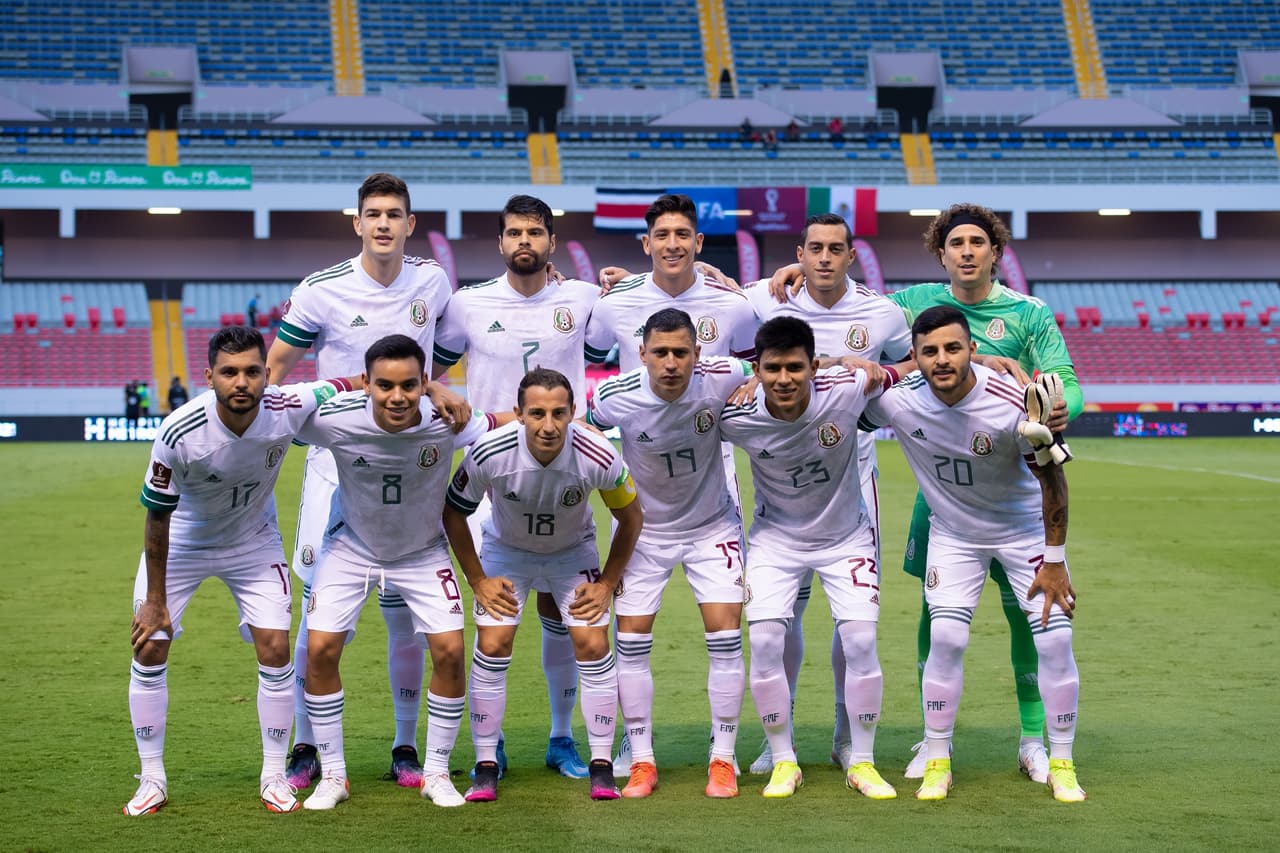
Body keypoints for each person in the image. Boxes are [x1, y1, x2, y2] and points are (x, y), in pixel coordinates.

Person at [764, 202, 1081, 782]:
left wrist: (1057, 408)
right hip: (941, 498)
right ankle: (934, 741)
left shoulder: (1029, 312)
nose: (966, 251)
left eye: (976, 243)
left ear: (995, 251)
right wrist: (782, 276)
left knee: (1026, 616)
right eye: (954, 243)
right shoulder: (903, 306)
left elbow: (1066, 383)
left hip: (1012, 484)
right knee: (939, 620)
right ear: (940, 253)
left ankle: (1035, 739)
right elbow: (844, 306)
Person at [267, 172, 466, 791]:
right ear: (357, 224)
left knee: (406, 613)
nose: (384, 223)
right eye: (373, 214)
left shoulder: (433, 281)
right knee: (319, 613)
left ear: (410, 224)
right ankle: (305, 746)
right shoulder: (321, 290)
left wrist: (432, 385)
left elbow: (454, 346)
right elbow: (275, 369)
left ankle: (406, 748)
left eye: (395, 214)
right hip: (337, 462)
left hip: (410, 464)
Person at [124, 326, 355, 816]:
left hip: (252, 540)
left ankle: (274, 775)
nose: (242, 381)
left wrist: (431, 385)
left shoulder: (288, 406)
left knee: (275, 647)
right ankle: (152, 779)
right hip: (185, 541)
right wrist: (156, 601)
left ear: (266, 374)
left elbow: (345, 384)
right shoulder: (178, 432)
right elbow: (157, 518)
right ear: (209, 376)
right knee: (150, 645)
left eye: (252, 371)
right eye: (229, 372)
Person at [857, 305, 1084, 802]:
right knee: (947, 637)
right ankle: (938, 758)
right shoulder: (896, 402)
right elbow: (828, 391)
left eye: (953, 348)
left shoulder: (1012, 402)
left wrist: (1055, 559)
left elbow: (1054, 479)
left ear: (973, 350)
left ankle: (1062, 760)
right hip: (954, 535)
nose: (942, 360)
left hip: (1022, 532)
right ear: (913, 357)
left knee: (1053, 641)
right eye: (929, 351)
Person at [292, 335, 508, 810]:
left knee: (450, 652)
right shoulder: (336, 418)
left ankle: (435, 772)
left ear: (424, 383)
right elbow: (279, 410)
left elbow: (501, 423)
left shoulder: (446, 421)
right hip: (350, 546)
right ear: (366, 383)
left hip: (422, 550)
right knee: (321, 649)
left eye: (410, 385)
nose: (397, 397)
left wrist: (576, 422)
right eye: (384, 385)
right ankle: (333, 775)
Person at [585, 193, 758, 774]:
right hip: (643, 532)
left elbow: (766, 364)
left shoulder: (726, 353)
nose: (671, 363)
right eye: (663, 235)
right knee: (629, 642)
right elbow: (583, 424)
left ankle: (723, 757)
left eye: (684, 234)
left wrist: (753, 384)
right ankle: (643, 758)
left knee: (726, 637)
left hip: (713, 524)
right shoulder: (613, 390)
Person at [431, 194, 601, 778]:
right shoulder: (467, 304)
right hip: (490, 475)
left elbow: (632, 326)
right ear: (500, 243)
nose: (524, 241)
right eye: (513, 233)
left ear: (552, 242)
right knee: (494, 618)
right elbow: (427, 370)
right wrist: (445, 398)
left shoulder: (583, 298)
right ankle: (490, 743)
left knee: (563, 613)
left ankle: (561, 739)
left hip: (562, 473)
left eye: (535, 232)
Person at [741, 214, 911, 775]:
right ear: (800, 251)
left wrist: (874, 369)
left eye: (836, 249)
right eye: (814, 248)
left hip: (854, 476)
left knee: (853, 621)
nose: (824, 258)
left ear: (851, 255)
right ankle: (777, 736)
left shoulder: (882, 312)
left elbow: (918, 362)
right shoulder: (768, 299)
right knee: (780, 618)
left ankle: (844, 732)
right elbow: (705, 300)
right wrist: (617, 282)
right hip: (783, 486)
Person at [719, 316, 899, 800]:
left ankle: (860, 759)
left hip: (846, 538)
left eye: (795, 368)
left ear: (814, 367)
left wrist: (984, 359)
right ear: (755, 368)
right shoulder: (733, 414)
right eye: (772, 368)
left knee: (860, 641)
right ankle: (783, 759)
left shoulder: (847, 385)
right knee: (765, 640)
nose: (784, 379)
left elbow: (915, 370)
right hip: (776, 541)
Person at [443, 368, 643, 803]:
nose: (548, 425)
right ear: (518, 414)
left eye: (558, 413)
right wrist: (477, 579)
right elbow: (453, 513)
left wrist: (608, 582)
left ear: (573, 412)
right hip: (507, 553)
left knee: (592, 643)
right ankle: (485, 765)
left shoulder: (598, 454)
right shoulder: (488, 451)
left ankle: (601, 764)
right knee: (493, 644)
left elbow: (632, 518)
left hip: (572, 554)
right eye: (536, 413)